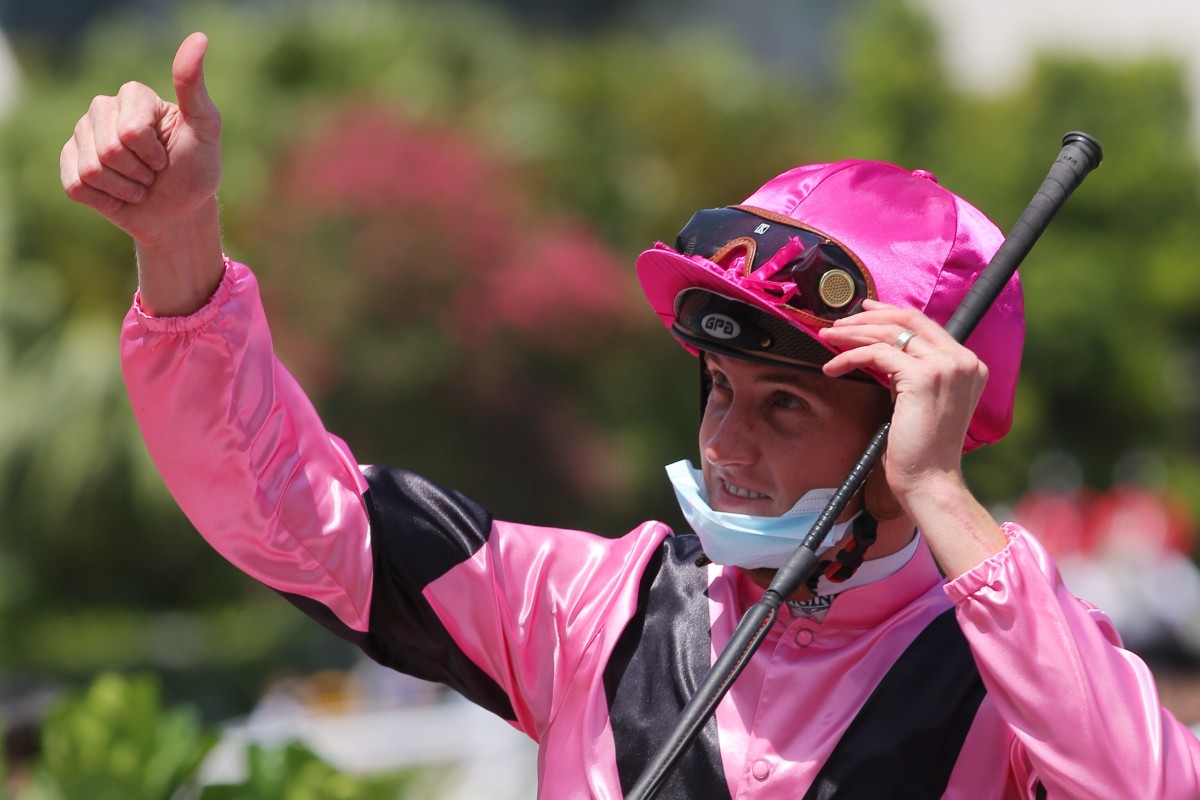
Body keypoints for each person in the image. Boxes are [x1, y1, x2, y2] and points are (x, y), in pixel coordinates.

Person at [60, 32, 1200, 799]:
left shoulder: (1016, 664)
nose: (724, 444)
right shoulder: (592, 607)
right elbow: (297, 515)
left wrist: (946, 499)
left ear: (913, 430)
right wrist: (179, 253)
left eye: (785, 402)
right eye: (718, 389)